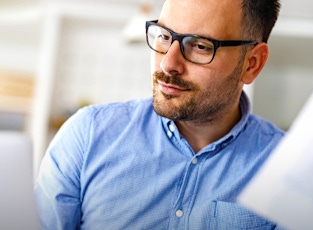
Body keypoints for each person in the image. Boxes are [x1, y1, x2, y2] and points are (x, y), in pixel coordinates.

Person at [35, 0, 285, 229]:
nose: (168, 63)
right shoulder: (86, 136)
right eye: (165, 36)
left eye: (200, 46)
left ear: (251, 63)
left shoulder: (286, 168)